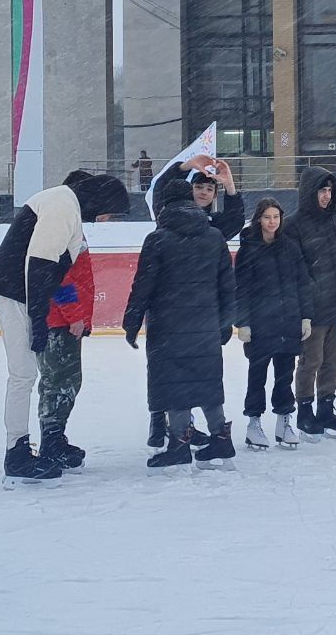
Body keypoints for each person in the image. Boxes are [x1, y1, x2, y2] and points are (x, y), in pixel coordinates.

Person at [0, 171, 130, 488]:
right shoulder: (63, 204)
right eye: (110, 211)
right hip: (15, 295)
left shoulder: (67, 206)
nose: (105, 219)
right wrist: (38, 321)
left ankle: (28, 447)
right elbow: (39, 267)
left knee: (28, 376)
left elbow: (49, 268)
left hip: (19, 294)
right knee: (22, 375)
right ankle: (16, 453)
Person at [123, 179, 238, 471]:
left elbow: (143, 285)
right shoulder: (214, 237)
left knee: (175, 384)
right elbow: (227, 285)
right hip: (206, 324)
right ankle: (221, 438)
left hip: (168, 325)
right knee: (207, 381)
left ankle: (179, 443)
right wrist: (226, 322)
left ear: (163, 204)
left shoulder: (158, 238)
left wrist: (132, 320)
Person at [146, 154, 244, 448]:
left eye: (209, 189)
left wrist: (230, 186)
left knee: (199, 372)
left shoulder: (213, 228)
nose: (203, 192)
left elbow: (236, 219)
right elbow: (162, 189)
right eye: (198, 187)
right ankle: (160, 423)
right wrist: (185, 166)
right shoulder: (167, 216)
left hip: (202, 312)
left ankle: (187, 430)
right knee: (165, 371)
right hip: (170, 310)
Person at [281, 167, 336, 441]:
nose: (326, 196)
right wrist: (306, 298)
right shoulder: (292, 225)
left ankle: (326, 407)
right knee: (310, 360)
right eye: (321, 190)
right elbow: (293, 268)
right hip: (312, 309)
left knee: (334, 361)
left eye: (330, 191)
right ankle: (305, 410)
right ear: (309, 192)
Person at [233, 198, 314, 451]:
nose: (272, 222)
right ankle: (253, 424)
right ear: (259, 219)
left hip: (287, 323)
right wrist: (243, 322)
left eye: (276, 217)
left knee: (284, 377)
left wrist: (305, 316)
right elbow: (241, 288)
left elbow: (302, 282)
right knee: (256, 378)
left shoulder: (290, 247)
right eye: (267, 217)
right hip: (260, 325)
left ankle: (283, 422)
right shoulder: (249, 249)